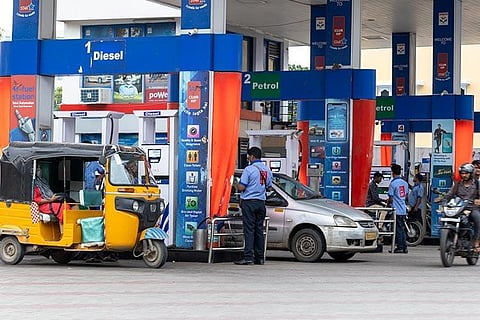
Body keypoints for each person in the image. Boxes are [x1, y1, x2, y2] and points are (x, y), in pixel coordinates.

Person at [234, 147, 273, 265]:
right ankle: (259, 258)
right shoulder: (267, 170)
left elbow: (242, 187)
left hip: (249, 203)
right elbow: (269, 187)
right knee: (259, 230)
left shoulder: (249, 169)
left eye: (248, 157)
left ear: (252, 157)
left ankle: (248, 257)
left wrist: (236, 184)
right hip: (261, 203)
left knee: (249, 230)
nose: (248, 159)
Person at [444, 163, 480, 252]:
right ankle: (447, 240)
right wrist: (443, 199)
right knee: (445, 217)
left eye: (466, 173)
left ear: (471, 174)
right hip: (458, 208)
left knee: (477, 218)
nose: (464, 175)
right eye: (462, 173)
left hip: (472, 208)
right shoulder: (458, 184)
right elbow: (449, 194)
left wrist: (478, 200)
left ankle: (476, 241)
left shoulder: (477, 184)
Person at [33, 165, 69, 234]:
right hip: (42, 205)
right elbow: (36, 200)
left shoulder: (43, 181)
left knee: (67, 200)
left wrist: (53, 198)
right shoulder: (33, 184)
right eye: (37, 168)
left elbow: (48, 193)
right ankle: (63, 233)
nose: (39, 170)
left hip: (50, 201)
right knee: (64, 208)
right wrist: (50, 200)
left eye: (40, 168)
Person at [386, 163, 409, 254]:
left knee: (398, 229)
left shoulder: (393, 183)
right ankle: (404, 247)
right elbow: (406, 196)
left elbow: (391, 198)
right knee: (402, 228)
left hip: (396, 210)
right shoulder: (405, 183)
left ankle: (400, 247)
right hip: (403, 209)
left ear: (393, 172)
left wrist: (388, 205)